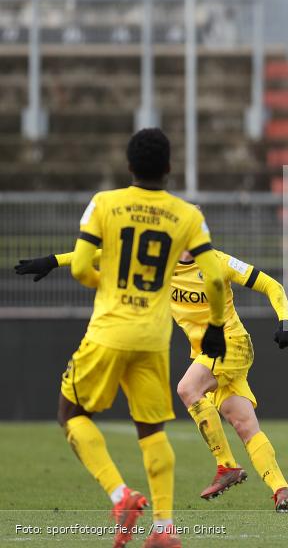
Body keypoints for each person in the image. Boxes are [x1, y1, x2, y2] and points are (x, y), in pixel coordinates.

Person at [19, 244, 288, 513]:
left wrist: (286, 320)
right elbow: (105, 254)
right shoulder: (158, 263)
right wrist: (53, 261)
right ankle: (282, 489)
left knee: (187, 388)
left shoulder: (218, 262)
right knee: (244, 425)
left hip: (233, 343)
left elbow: (271, 285)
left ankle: (227, 465)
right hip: (207, 355)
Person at [52, 128, 226, 548]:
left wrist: (109, 285)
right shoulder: (187, 215)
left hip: (109, 330)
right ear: (168, 167)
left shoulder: (104, 203)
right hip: (152, 337)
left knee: (71, 413)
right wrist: (216, 326)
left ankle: (120, 495)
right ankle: (164, 527)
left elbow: (81, 267)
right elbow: (216, 278)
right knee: (152, 430)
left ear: (129, 165)